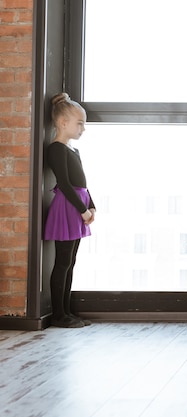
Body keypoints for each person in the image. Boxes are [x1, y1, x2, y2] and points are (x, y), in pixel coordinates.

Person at [43, 93, 95, 328]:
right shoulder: (56, 149)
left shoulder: (74, 151)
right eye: (80, 123)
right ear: (63, 123)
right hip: (68, 207)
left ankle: (67, 312)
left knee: (71, 261)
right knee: (63, 262)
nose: (83, 128)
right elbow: (64, 183)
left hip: (78, 206)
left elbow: (83, 182)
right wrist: (83, 209)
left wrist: (91, 204)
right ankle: (58, 314)